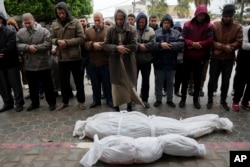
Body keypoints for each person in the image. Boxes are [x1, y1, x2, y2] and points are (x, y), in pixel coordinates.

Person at [103, 9, 144, 111]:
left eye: (121, 19)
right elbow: (105, 45)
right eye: (117, 19)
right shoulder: (110, 29)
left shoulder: (132, 29)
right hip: (115, 62)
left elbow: (135, 45)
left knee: (129, 83)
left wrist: (124, 48)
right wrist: (116, 48)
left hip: (128, 61)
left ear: (125, 19)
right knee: (116, 85)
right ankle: (116, 105)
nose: (119, 21)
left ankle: (129, 105)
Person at [16, 13, 56, 111]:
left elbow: (48, 44)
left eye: (29, 23)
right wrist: (27, 47)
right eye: (25, 23)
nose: (27, 25)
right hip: (29, 64)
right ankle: (35, 103)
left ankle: (51, 103)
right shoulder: (20, 32)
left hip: (43, 63)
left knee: (48, 85)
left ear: (33, 20)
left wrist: (36, 48)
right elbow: (17, 44)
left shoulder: (44, 31)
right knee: (32, 86)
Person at [207, 4, 243, 111]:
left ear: (233, 16)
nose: (228, 18)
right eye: (226, 16)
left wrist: (226, 48)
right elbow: (210, 41)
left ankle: (223, 100)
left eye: (230, 16)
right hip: (215, 58)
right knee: (212, 80)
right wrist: (224, 47)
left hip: (228, 59)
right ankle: (210, 100)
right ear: (223, 15)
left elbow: (239, 42)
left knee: (226, 81)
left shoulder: (238, 27)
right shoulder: (215, 26)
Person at [51, 1, 86, 111]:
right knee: (64, 82)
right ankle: (64, 101)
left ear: (66, 11)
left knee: (78, 81)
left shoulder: (75, 22)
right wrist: (57, 41)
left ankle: (81, 101)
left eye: (62, 12)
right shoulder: (54, 24)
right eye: (58, 13)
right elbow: (51, 38)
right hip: (62, 57)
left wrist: (66, 42)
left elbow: (81, 38)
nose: (61, 15)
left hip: (75, 57)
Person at [179, 5, 213, 109]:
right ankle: (183, 99)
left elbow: (210, 40)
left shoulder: (209, 26)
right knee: (185, 79)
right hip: (188, 56)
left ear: (205, 15)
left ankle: (195, 100)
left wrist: (200, 44)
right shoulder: (187, 24)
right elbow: (182, 37)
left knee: (198, 80)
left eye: (203, 15)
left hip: (200, 57)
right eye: (200, 14)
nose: (201, 16)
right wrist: (192, 43)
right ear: (196, 14)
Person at [153, 14, 184, 108]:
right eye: (165, 23)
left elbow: (181, 43)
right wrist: (160, 45)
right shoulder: (156, 33)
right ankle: (158, 100)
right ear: (162, 23)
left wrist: (169, 45)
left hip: (172, 64)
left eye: (168, 23)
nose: (166, 24)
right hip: (159, 63)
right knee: (159, 82)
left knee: (170, 83)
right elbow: (152, 44)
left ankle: (169, 100)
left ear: (171, 24)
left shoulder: (176, 33)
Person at [84, 12, 113, 108]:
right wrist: (93, 45)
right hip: (92, 63)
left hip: (105, 62)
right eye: (95, 20)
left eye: (98, 20)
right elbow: (84, 44)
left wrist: (102, 45)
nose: (97, 22)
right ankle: (96, 101)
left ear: (103, 20)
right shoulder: (88, 31)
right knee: (95, 84)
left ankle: (109, 100)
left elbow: (113, 44)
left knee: (107, 83)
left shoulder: (109, 30)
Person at [0, 12, 24, 112]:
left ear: (1, 19)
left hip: (10, 62)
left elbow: (11, 46)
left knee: (15, 84)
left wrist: (1, 52)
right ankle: (7, 102)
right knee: (2, 85)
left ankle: (19, 103)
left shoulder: (10, 31)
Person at [135, 12, 156, 108]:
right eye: (139, 22)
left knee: (146, 81)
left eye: (143, 22)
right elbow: (130, 43)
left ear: (146, 22)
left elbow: (153, 44)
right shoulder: (132, 30)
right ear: (137, 21)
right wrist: (139, 47)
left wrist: (146, 47)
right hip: (134, 61)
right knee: (133, 81)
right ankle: (133, 99)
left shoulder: (151, 31)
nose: (141, 24)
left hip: (146, 61)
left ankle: (145, 99)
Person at [231, 25, 250, 112]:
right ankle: (236, 101)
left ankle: (245, 102)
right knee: (240, 81)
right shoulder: (246, 29)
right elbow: (245, 45)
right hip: (244, 60)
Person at [173, 22, 184, 97]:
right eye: (175, 29)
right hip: (172, 60)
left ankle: (177, 90)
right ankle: (166, 89)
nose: (177, 30)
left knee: (179, 77)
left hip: (181, 60)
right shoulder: (172, 36)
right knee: (169, 77)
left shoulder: (182, 36)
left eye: (178, 29)